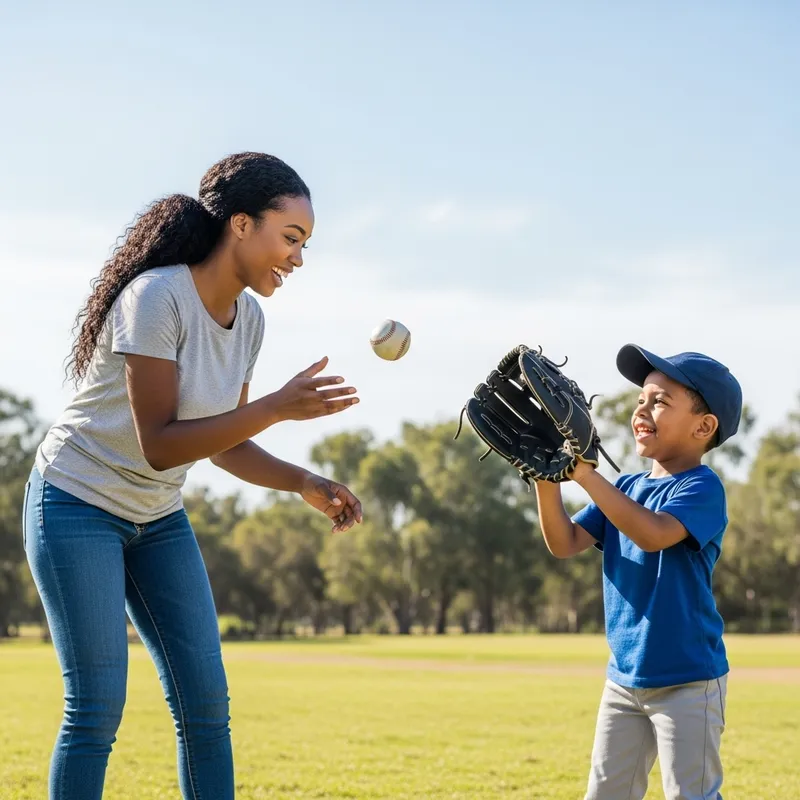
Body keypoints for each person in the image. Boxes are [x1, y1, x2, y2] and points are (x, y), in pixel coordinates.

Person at [22, 151, 363, 800]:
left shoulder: (250, 321)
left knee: (206, 707)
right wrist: (278, 408)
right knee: (95, 706)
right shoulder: (157, 297)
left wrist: (303, 482)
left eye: (306, 245)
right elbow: (159, 443)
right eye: (290, 239)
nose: (297, 258)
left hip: (156, 518)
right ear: (240, 224)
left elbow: (222, 442)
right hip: (75, 503)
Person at [534, 344, 743, 800]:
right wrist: (546, 482)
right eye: (642, 398)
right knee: (606, 794)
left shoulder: (702, 488)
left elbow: (653, 533)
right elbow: (565, 543)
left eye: (661, 401)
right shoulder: (626, 486)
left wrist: (586, 476)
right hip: (624, 679)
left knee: (692, 795)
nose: (643, 409)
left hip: (689, 679)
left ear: (704, 426)